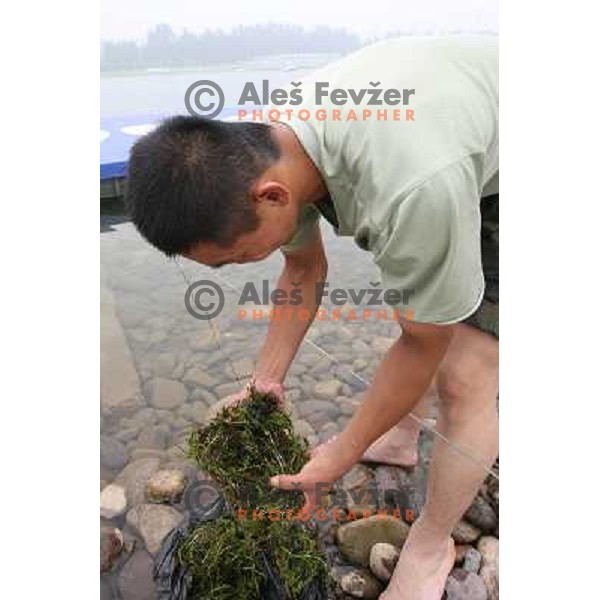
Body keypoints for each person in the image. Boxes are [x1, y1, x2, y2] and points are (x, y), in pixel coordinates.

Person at [125, 35, 499, 600]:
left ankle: (432, 542)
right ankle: (400, 436)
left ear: (271, 197)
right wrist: (266, 380)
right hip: (449, 125)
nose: (243, 265)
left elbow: (426, 340)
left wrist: (342, 451)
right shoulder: (270, 149)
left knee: (464, 371)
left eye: (239, 256)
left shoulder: (411, 186)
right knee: (422, 305)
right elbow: (302, 269)